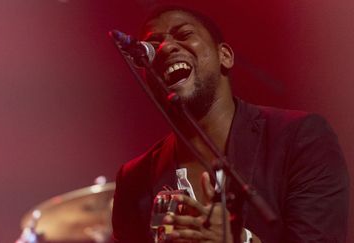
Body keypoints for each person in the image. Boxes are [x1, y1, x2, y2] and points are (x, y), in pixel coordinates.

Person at [111, 5, 349, 243]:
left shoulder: (300, 138)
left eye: (184, 35)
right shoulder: (134, 179)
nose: (166, 48)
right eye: (152, 47)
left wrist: (239, 240)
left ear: (224, 56)